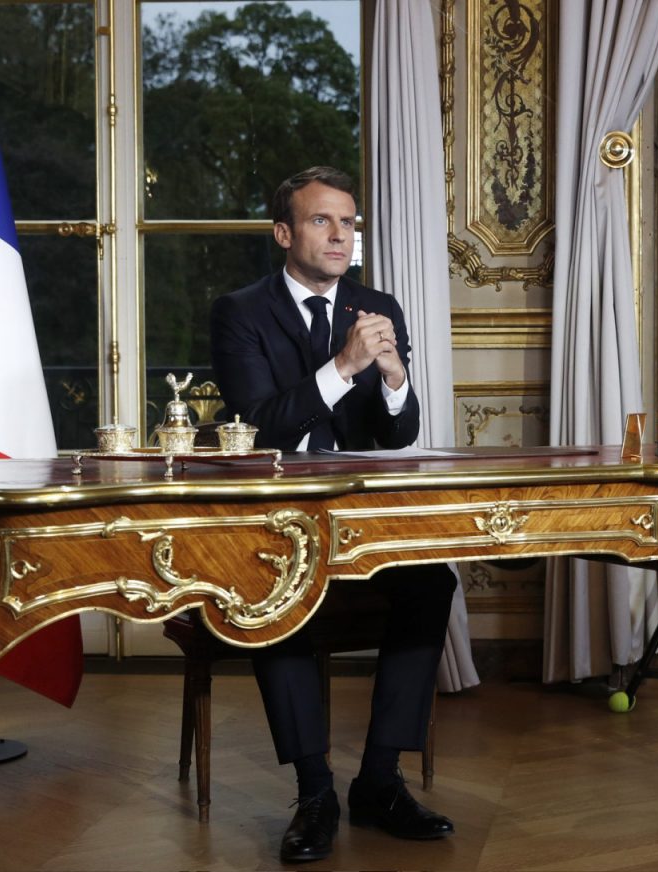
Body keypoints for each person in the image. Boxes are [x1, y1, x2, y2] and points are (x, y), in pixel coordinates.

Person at [209, 166, 457, 863]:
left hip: (365, 519)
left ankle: (379, 780)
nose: (341, 235)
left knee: (432, 581)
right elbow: (260, 428)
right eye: (322, 221)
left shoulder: (378, 306)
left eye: (348, 222)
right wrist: (343, 367)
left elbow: (396, 437)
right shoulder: (241, 312)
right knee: (271, 596)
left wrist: (395, 378)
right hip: (279, 520)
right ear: (285, 233)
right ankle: (315, 791)